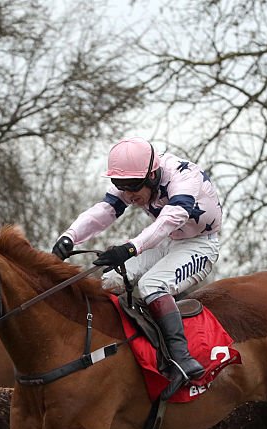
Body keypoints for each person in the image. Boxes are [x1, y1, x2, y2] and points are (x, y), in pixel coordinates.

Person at [51, 137, 222, 381]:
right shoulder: (133, 178)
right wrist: (70, 236)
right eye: (121, 186)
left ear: (152, 176)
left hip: (199, 245)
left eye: (133, 186)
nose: (129, 195)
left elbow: (170, 219)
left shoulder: (184, 177)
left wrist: (131, 248)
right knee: (108, 282)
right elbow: (105, 210)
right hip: (165, 241)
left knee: (152, 285)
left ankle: (181, 359)